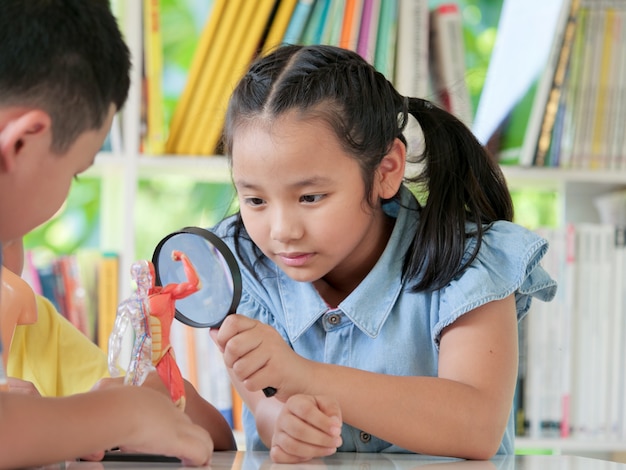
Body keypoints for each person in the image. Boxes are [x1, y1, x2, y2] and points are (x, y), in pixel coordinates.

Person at [209, 44, 558, 464]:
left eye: (311, 196)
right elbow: (265, 408)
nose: (282, 231)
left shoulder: (468, 263)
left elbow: (477, 425)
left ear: (386, 171)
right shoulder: (244, 270)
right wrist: (286, 425)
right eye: (255, 200)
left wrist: (305, 377)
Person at [0, 0, 232, 466]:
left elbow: (206, 436)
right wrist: (113, 416)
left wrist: (142, 402)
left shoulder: (35, 331)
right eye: (77, 171)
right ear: (21, 144)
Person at [109, 251, 200, 410]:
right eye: (141, 275)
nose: (146, 278)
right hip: (141, 353)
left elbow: (194, 284)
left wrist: (184, 259)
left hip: (163, 351)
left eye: (148, 274)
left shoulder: (166, 294)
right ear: (134, 278)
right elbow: (117, 334)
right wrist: (112, 361)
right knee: (130, 394)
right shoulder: (130, 304)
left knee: (179, 398)